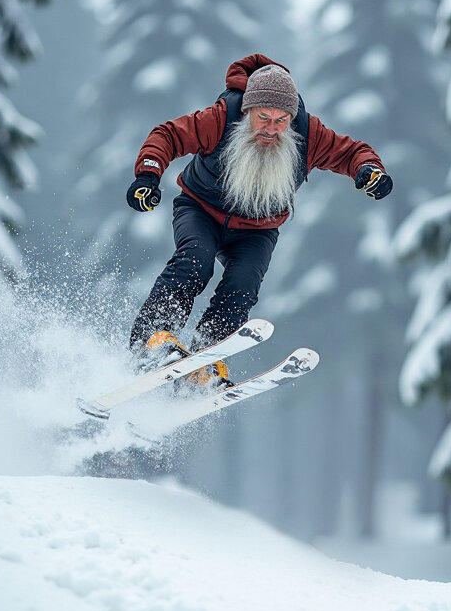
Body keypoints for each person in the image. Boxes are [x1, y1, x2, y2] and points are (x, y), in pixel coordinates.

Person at [126, 54, 393, 386]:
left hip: (257, 231)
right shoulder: (220, 119)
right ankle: (152, 339)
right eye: (263, 117)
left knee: (243, 285)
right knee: (195, 260)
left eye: (281, 120)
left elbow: (352, 152)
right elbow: (168, 135)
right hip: (201, 211)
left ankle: (206, 358)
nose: (272, 129)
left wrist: (370, 171)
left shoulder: (309, 135)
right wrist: (148, 175)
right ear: (247, 111)